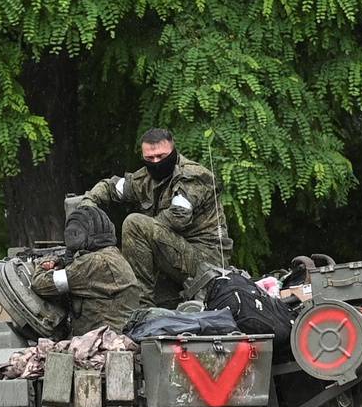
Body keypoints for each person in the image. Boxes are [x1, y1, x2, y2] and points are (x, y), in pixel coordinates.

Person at [81, 127, 230, 307]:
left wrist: (140, 240)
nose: (156, 162)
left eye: (161, 156)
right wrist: (87, 204)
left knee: (135, 224)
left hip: (205, 262)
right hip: (174, 259)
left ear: (173, 151)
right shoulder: (146, 179)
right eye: (150, 158)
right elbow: (112, 187)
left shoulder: (193, 176)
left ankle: (141, 308)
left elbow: (178, 217)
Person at [30, 202, 149, 333]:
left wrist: (43, 264)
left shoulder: (92, 263)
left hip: (104, 342)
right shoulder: (112, 255)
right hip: (117, 336)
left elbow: (40, 284)